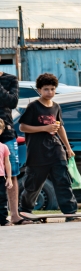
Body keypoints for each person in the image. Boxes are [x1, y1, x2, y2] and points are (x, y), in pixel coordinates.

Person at [18, 73, 77, 218]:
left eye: (52, 89)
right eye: (46, 89)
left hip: (56, 150)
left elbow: (60, 127)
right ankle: (25, 211)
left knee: (63, 181)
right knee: (33, 185)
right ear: (39, 90)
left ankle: (70, 212)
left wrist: (68, 148)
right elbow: (23, 127)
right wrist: (44, 128)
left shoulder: (56, 107)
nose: (49, 92)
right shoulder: (33, 106)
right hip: (37, 152)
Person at [0, 69, 23, 224]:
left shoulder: (10, 79)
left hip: (6, 131)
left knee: (12, 173)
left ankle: (14, 214)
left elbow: (12, 102)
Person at [0, 119, 12, 226]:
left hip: (0, 177)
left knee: (2, 199)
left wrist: (9, 178)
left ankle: (3, 220)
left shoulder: (4, 147)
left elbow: (7, 163)